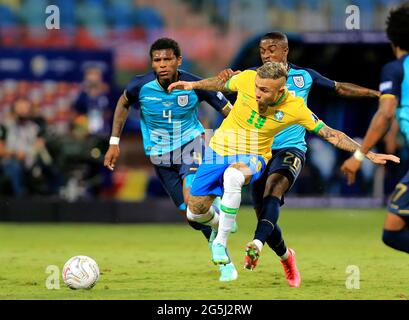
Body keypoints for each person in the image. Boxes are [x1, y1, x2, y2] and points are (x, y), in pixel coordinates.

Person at [168, 61, 399, 283]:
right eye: (258, 87)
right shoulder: (247, 79)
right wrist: (193, 85)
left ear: (281, 91)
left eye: (265, 90)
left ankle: (220, 242)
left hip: (254, 156)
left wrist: (366, 153)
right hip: (219, 149)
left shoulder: (295, 107)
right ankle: (221, 222)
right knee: (195, 212)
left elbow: (331, 133)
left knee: (234, 177)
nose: (258, 93)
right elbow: (222, 85)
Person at [217, 31, 381, 287]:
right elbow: (224, 96)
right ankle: (286, 257)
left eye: (272, 49)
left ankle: (256, 244)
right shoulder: (251, 78)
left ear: (285, 51)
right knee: (263, 213)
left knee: (274, 192)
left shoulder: (304, 77)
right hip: (259, 151)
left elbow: (338, 88)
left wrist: (375, 95)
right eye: (262, 51)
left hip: (291, 149)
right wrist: (222, 80)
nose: (266, 54)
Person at [103, 38, 236, 281]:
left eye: (167, 59)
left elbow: (230, 112)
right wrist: (114, 143)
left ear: (178, 61)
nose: (162, 64)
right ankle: (219, 227)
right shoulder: (139, 86)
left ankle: (224, 256)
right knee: (192, 217)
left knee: (193, 201)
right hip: (161, 156)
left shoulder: (195, 84)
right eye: (157, 60)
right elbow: (123, 103)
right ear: (152, 63)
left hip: (191, 145)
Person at [341, 3, 409, 255]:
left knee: (393, 232)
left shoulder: (395, 70)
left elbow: (385, 113)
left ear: (392, 38)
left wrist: (358, 156)